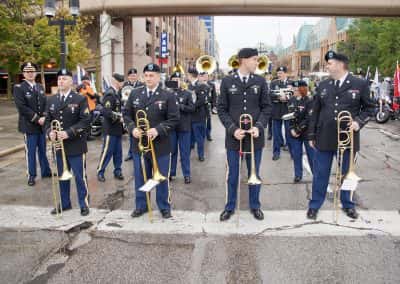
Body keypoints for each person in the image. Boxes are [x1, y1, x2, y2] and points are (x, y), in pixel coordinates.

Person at [306, 50, 375, 220]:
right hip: (324, 137)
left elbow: (370, 108)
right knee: (321, 173)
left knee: (347, 173)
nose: (327, 66)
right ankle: (315, 205)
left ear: (340, 64)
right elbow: (315, 112)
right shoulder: (323, 85)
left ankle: (348, 204)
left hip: (348, 137)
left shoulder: (360, 84)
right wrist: (311, 135)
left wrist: (358, 122)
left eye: (329, 63)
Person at [217, 48, 271, 221]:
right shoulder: (227, 81)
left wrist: (259, 126)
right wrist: (233, 129)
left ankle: (255, 206)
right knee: (232, 174)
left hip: (255, 137)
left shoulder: (260, 81)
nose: (257, 63)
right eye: (255, 59)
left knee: (254, 173)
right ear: (244, 60)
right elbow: (221, 109)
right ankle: (230, 206)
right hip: (234, 138)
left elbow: (267, 107)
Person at [124, 63, 179, 219]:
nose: (148, 78)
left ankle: (164, 206)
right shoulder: (135, 94)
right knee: (141, 177)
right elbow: (126, 114)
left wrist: (158, 130)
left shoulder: (168, 95)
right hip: (139, 145)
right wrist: (132, 128)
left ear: (158, 77)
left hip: (160, 145)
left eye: (152, 75)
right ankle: (141, 205)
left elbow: (174, 119)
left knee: (160, 177)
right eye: (146, 75)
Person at [46, 69, 91, 216]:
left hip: (76, 145)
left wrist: (68, 133)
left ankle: (84, 204)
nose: (61, 81)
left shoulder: (80, 99)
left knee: (79, 177)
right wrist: (49, 132)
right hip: (59, 147)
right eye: (59, 79)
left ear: (71, 82)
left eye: (64, 79)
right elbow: (47, 121)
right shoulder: (51, 100)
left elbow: (85, 121)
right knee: (62, 176)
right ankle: (65, 203)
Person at [13, 62, 52, 186]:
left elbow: (45, 102)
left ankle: (46, 171)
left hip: (41, 126)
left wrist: (45, 116)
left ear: (35, 72)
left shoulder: (40, 86)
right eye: (27, 71)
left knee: (43, 150)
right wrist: (37, 118)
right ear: (23, 73)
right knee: (30, 152)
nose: (30, 73)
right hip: (29, 126)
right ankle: (31, 175)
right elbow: (21, 107)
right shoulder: (19, 87)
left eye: (32, 71)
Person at [96, 73, 125, 182]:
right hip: (110, 129)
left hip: (117, 128)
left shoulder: (117, 93)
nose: (122, 83)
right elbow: (106, 111)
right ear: (116, 82)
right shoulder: (110, 94)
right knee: (107, 152)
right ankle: (100, 171)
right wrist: (119, 118)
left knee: (118, 152)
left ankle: (117, 171)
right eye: (121, 81)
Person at [168, 71, 195, 183]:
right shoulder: (167, 94)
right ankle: (171, 173)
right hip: (172, 128)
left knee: (184, 153)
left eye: (178, 80)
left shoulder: (187, 93)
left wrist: (180, 106)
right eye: (174, 80)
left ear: (181, 81)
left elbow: (192, 108)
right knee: (172, 151)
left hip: (184, 128)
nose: (176, 82)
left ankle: (186, 174)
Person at [286, 80, 315, 183]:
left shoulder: (309, 101)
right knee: (296, 155)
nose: (294, 91)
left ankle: (315, 174)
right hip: (294, 132)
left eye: (296, 89)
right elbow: (290, 116)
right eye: (294, 89)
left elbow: (308, 118)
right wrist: (292, 129)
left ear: (302, 89)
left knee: (311, 156)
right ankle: (298, 175)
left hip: (307, 132)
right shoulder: (292, 100)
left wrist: (298, 129)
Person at [269, 66, 293, 160]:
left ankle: (292, 152)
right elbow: (270, 94)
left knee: (289, 133)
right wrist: (279, 97)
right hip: (276, 111)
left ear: (286, 74)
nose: (279, 75)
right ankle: (276, 152)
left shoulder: (291, 83)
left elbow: (295, 94)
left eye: (281, 73)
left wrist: (287, 97)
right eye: (278, 73)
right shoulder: (274, 83)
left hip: (288, 111)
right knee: (276, 134)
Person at [188, 68, 210, 161]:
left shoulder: (201, 85)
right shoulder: (189, 86)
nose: (187, 77)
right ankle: (186, 156)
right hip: (189, 116)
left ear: (191, 75)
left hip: (198, 115)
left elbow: (201, 100)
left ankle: (201, 155)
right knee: (189, 137)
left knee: (199, 137)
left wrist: (191, 107)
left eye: (188, 75)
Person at [124, 68, 144, 162]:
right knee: (131, 133)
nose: (133, 77)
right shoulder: (125, 86)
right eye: (131, 76)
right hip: (129, 111)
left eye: (134, 75)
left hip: (138, 111)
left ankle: (138, 150)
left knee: (139, 132)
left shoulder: (141, 85)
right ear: (128, 77)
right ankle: (130, 153)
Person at [77, 75, 97, 140]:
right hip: (89, 107)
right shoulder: (87, 87)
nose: (89, 81)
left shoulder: (80, 87)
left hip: (85, 107)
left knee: (85, 122)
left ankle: (86, 135)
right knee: (88, 122)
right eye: (88, 79)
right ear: (86, 80)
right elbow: (93, 96)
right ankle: (87, 136)